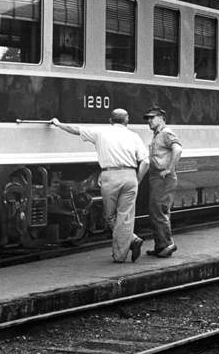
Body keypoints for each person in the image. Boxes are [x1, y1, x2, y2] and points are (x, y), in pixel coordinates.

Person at [51, 109, 149, 262]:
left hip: (110, 176)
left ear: (111, 121)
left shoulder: (101, 132)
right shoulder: (134, 136)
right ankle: (129, 244)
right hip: (130, 175)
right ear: (126, 121)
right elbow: (146, 161)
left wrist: (58, 124)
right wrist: (137, 178)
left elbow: (76, 130)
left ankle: (122, 253)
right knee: (126, 217)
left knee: (110, 216)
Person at [143, 106, 182, 258]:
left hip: (163, 177)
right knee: (155, 210)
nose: (149, 121)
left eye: (152, 118)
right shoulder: (156, 135)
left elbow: (177, 150)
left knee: (159, 210)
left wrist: (169, 169)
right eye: (148, 118)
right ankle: (160, 245)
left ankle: (168, 244)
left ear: (161, 118)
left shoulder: (166, 133)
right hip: (156, 177)